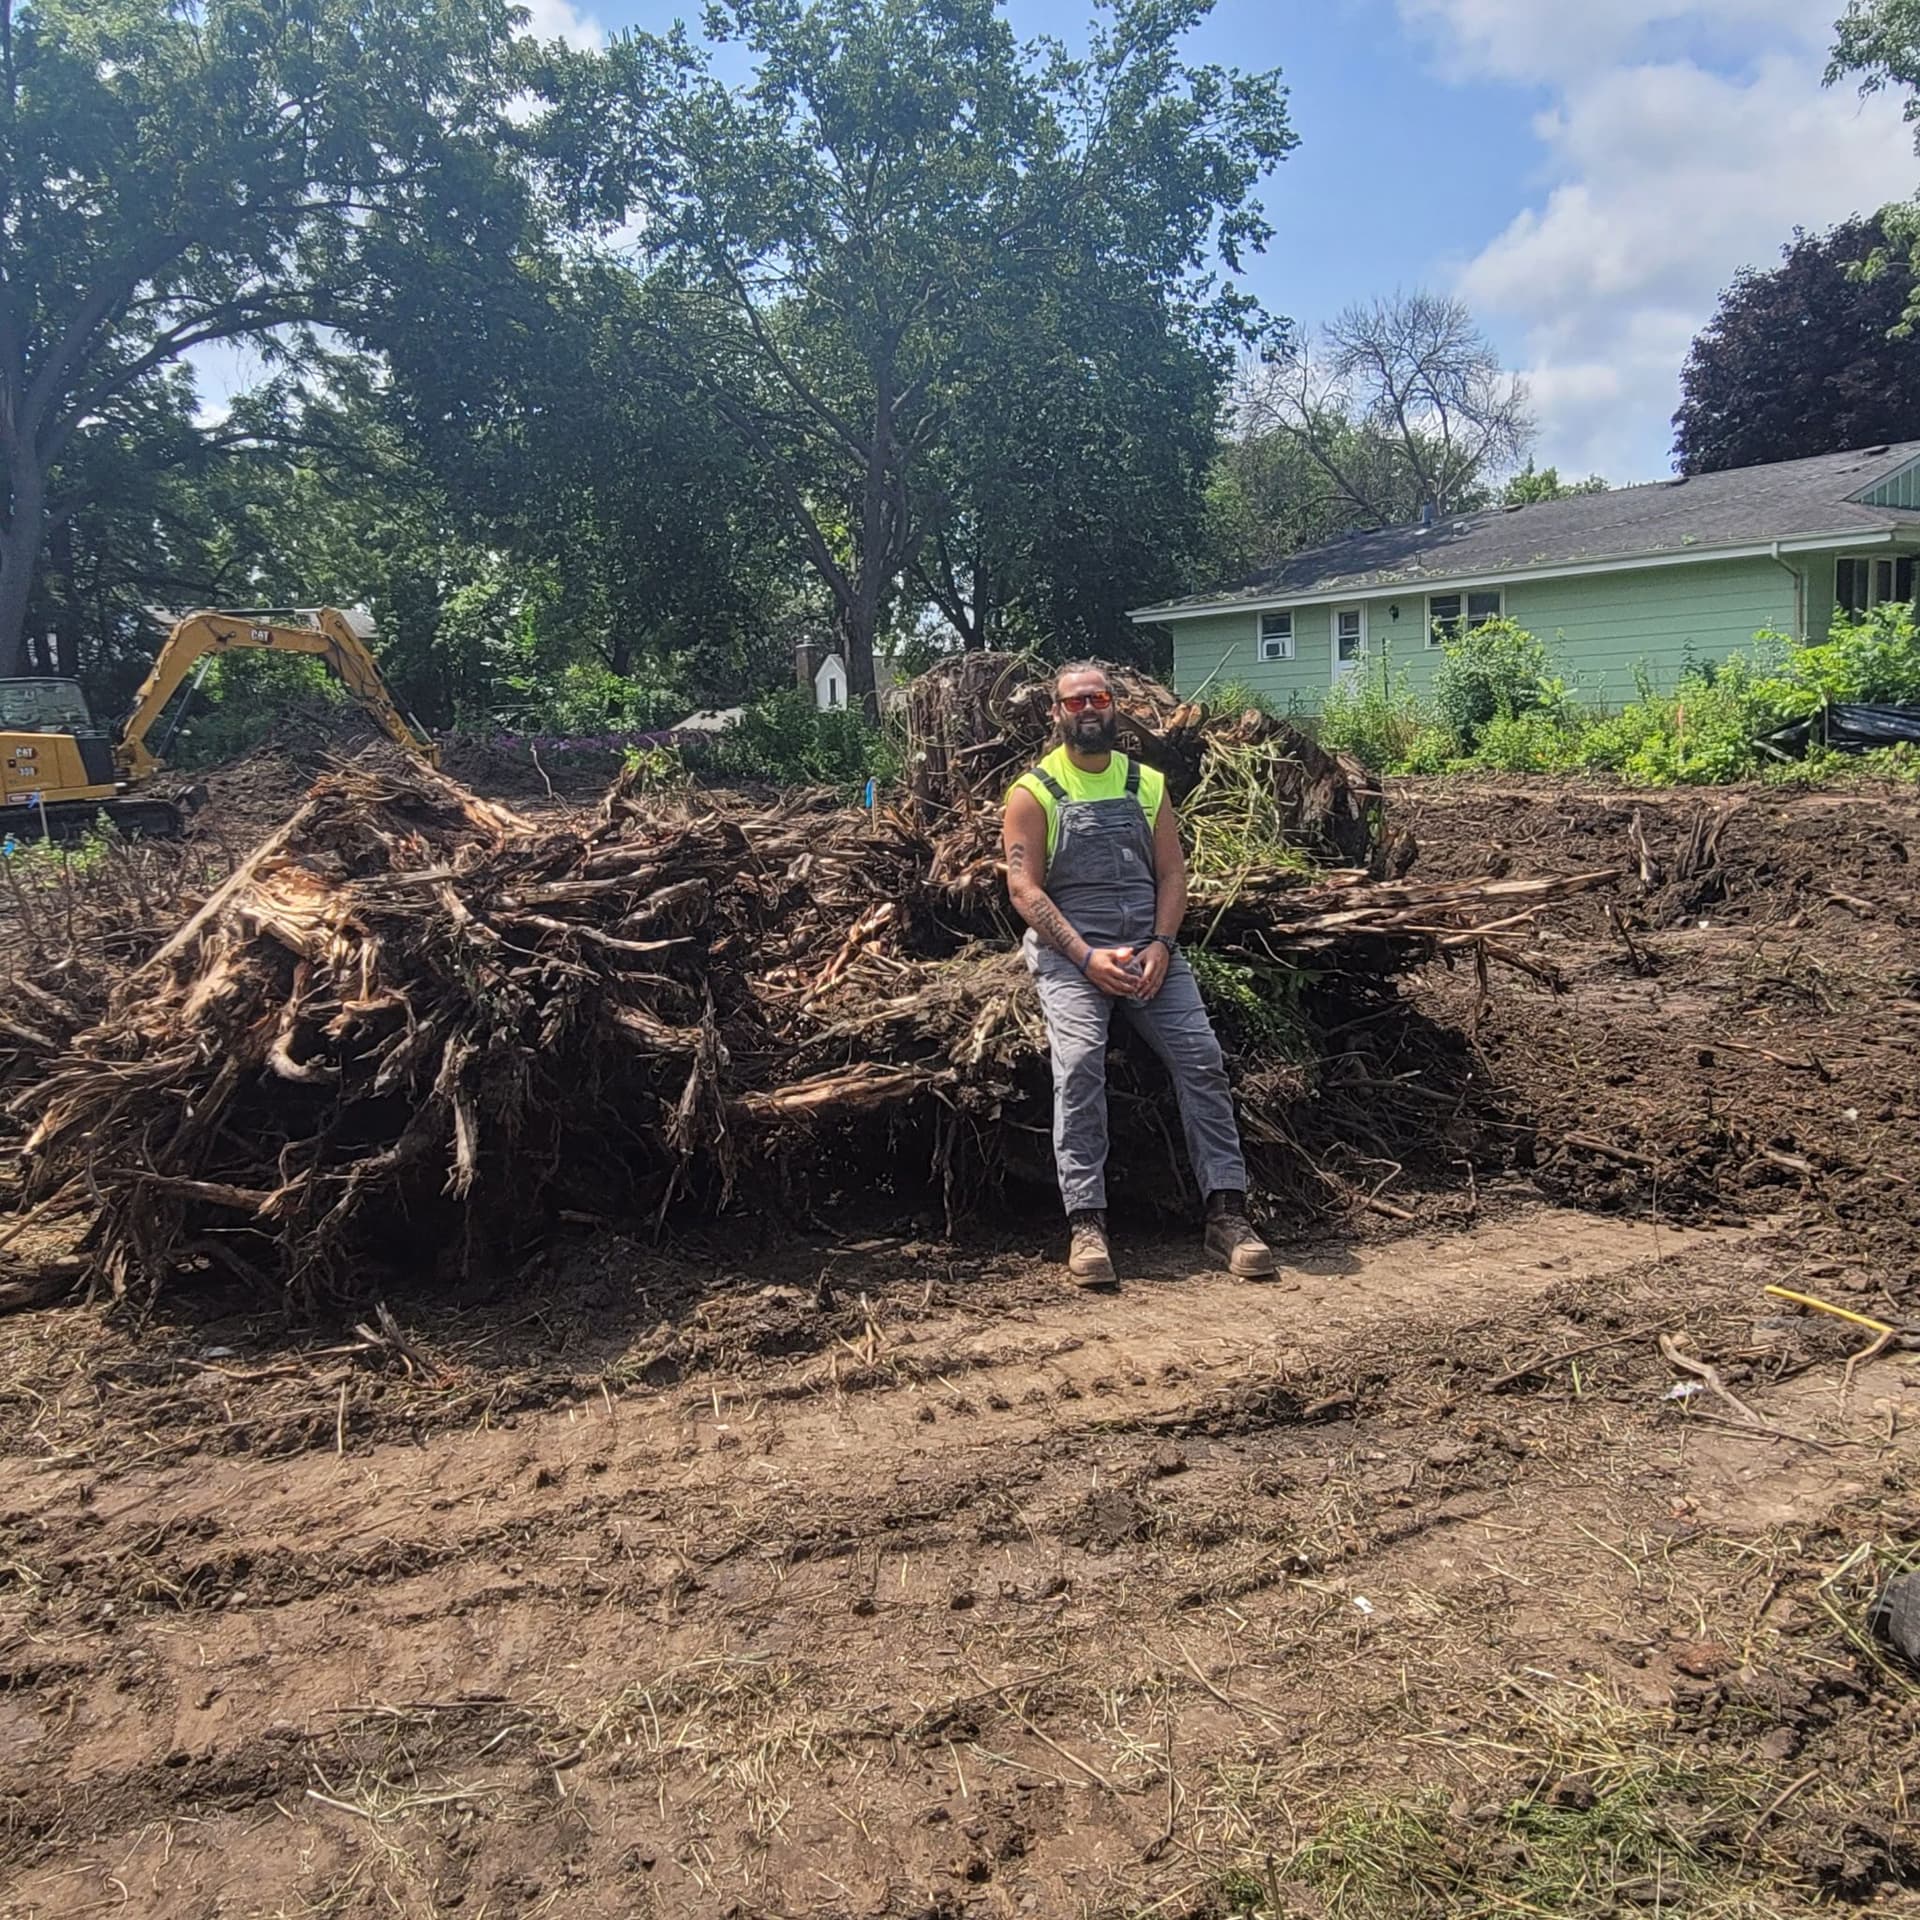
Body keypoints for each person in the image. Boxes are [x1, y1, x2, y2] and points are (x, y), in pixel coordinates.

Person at [1002, 662, 1279, 1286]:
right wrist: (1085, 957)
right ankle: (1087, 1223)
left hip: (1147, 953)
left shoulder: (1145, 782)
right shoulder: (1035, 791)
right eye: (1074, 702)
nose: (1087, 709)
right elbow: (1023, 887)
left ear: (1115, 707)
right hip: (1072, 955)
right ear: (1056, 713)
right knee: (1077, 1063)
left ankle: (1227, 1214)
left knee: (1202, 1059)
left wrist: (1160, 945)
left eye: (1098, 698)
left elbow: (1173, 875)